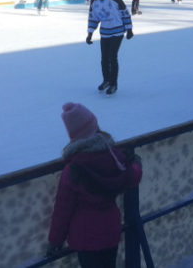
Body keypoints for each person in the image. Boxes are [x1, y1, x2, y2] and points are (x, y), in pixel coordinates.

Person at [47, 103, 142, 268]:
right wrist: (137, 165)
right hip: (111, 231)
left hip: (85, 238)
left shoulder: (73, 169)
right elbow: (131, 177)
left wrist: (55, 240)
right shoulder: (115, 156)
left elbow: (63, 208)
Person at [86, 0, 133, 96]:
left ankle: (113, 84)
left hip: (117, 32)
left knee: (112, 57)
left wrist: (129, 29)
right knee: (104, 59)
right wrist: (90, 33)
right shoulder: (94, 1)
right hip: (105, 33)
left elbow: (125, 14)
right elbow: (93, 18)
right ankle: (106, 80)